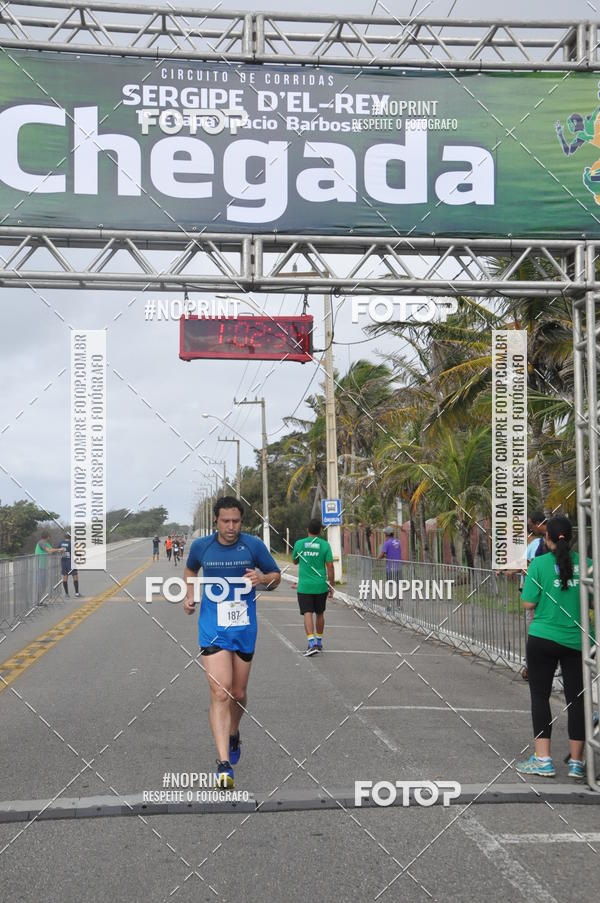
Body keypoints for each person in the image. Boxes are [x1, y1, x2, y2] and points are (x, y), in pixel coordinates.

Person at [184, 497, 281, 789]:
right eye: (226, 521)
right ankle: (224, 764)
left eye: (236, 521)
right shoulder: (202, 547)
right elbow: (190, 571)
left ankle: (234, 731)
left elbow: (276, 576)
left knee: (238, 693)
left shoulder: (253, 545)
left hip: (243, 627)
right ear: (216, 521)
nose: (231, 527)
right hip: (212, 627)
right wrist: (190, 595)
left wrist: (262, 578)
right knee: (220, 692)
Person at [516, 516, 591, 781]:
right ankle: (577, 763)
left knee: (540, 696)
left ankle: (543, 760)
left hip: (543, 638)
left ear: (546, 539)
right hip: (577, 641)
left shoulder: (539, 564)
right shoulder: (588, 566)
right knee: (577, 700)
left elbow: (527, 604)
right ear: (569, 539)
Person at [292, 518, 334, 656]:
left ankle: (311, 643)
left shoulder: (299, 544)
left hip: (304, 587)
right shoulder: (325, 545)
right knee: (320, 613)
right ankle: (320, 642)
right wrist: (331, 585)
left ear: (307, 530)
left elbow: (294, 561)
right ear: (321, 531)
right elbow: (330, 566)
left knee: (307, 613)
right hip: (321, 585)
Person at [58, 532, 80, 598]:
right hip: (70, 561)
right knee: (75, 576)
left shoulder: (61, 543)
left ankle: (67, 594)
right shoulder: (71, 543)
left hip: (63, 561)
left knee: (65, 577)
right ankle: (76, 593)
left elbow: (59, 551)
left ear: (64, 537)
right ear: (70, 537)